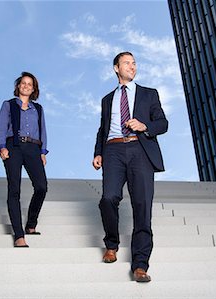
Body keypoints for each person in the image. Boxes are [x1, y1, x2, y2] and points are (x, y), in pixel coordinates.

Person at [92, 52, 168, 282]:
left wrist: (144, 125)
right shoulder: (107, 99)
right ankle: (111, 244)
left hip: (140, 150)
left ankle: (140, 265)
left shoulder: (149, 94)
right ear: (116, 68)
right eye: (127, 63)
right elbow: (102, 128)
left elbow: (162, 123)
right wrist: (98, 152)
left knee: (142, 206)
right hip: (113, 150)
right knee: (108, 198)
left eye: (134, 63)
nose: (132, 66)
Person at [0, 71, 48, 248]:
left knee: (41, 186)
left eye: (30, 84)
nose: (26, 86)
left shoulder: (38, 109)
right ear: (18, 86)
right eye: (23, 83)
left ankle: (31, 224)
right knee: (14, 189)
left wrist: (42, 152)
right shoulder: (8, 105)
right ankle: (19, 235)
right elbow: (1, 126)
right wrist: (2, 146)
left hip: (33, 148)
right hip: (13, 147)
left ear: (33, 89)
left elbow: (43, 131)